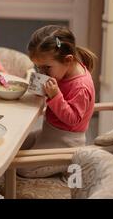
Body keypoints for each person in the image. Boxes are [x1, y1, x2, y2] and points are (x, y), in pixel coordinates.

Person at [18, 25, 96, 178]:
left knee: (23, 169)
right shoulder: (62, 70)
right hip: (49, 132)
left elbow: (73, 119)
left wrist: (55, 96)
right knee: (14, 148)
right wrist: (41, 90)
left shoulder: (81, 87)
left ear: (68, 60)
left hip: (67, 143)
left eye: (46, 67)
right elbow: (54, 94)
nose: (42, 73)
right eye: (38, 67)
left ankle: (67, 163)